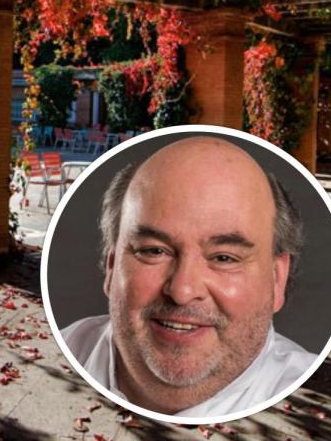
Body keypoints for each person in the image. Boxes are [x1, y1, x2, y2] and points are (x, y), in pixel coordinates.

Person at [61, 136, 317, 418]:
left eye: (224, 258)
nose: (182, 290)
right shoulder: (68, 346)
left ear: (277, 279)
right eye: (154, 251)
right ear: (111, 267)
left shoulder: (307, 390)